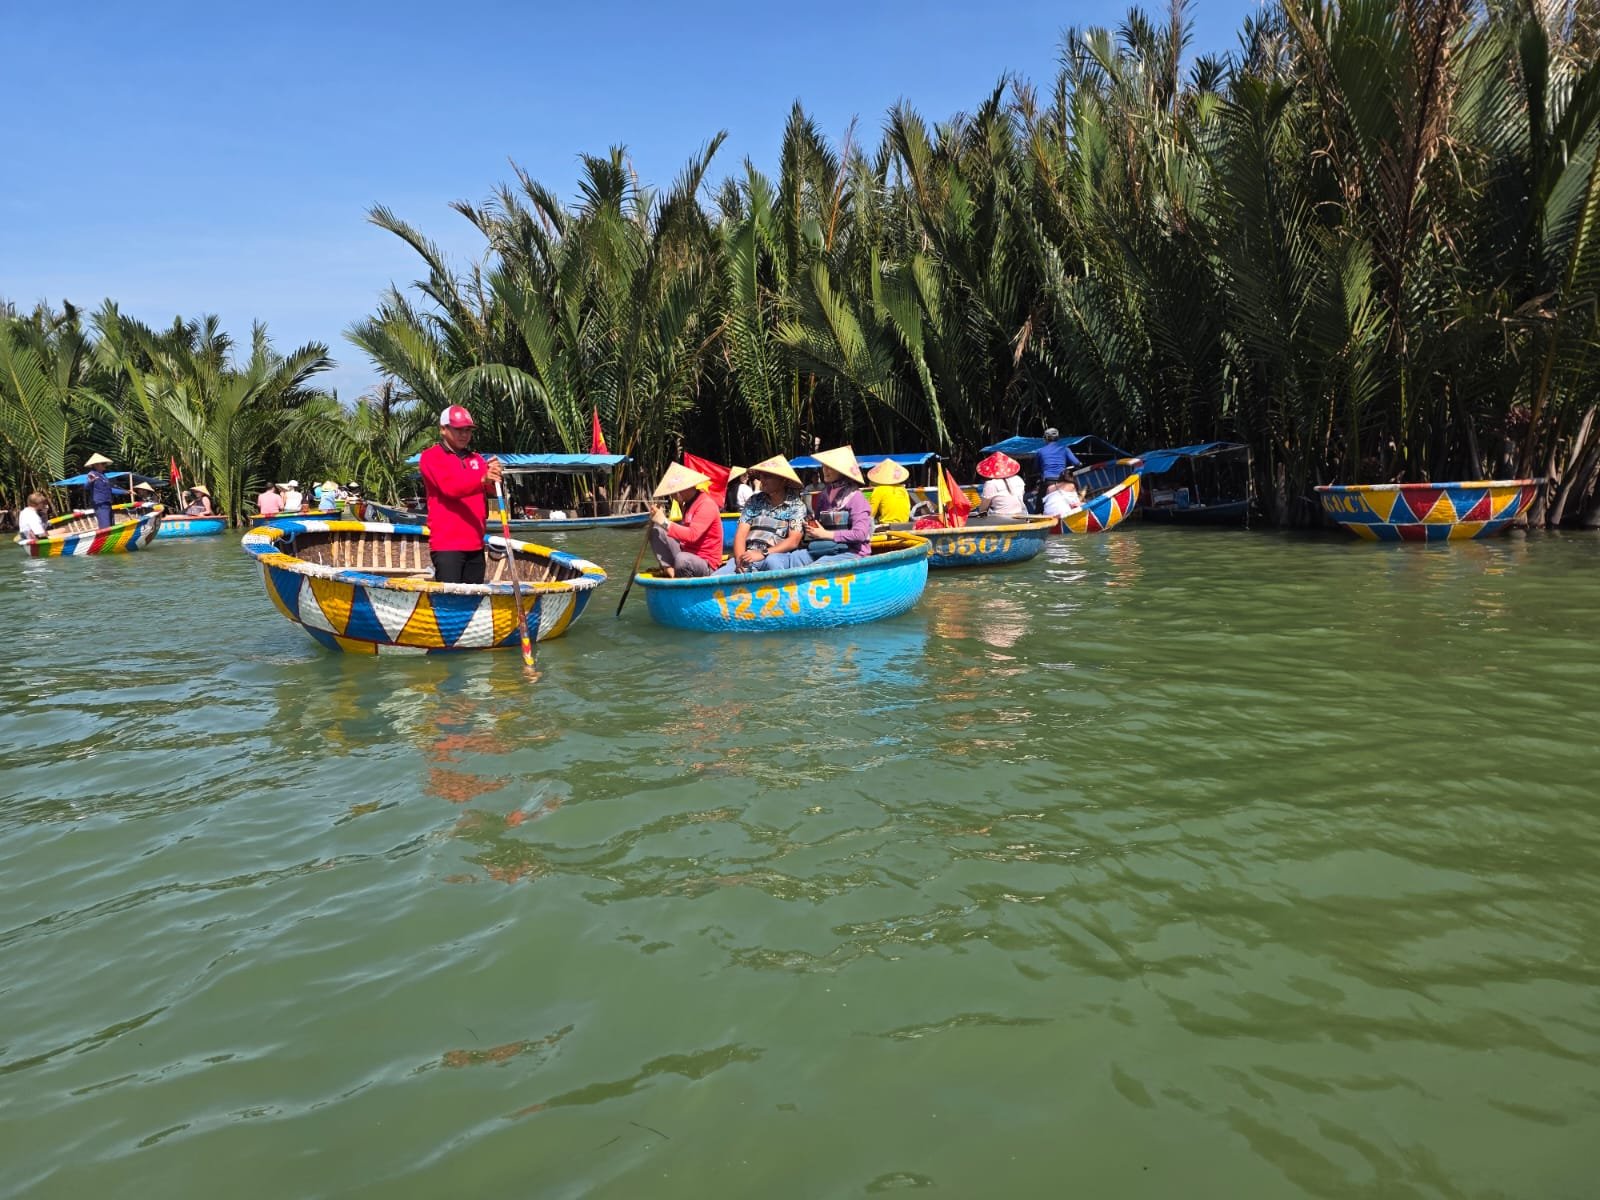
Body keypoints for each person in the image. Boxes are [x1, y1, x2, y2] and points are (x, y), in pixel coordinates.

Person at [418, 405, 502, 584]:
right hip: (447, 545)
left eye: (468, 430)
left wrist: (495, 477)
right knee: (450, 602)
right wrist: (482, 479)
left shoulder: (477, 460)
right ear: (443, 429)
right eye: (458, 430)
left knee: (472, 601)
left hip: (476, 543)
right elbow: (450, 488)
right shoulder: (431, 457)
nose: (464, 435)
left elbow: (491, 492)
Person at [715, 455, 810, 574]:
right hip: (748, 556)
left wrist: (762, 553)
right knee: (718, 576)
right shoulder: (754, 501)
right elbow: (740, 534)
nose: (762, 480)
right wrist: (740, 559)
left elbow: (793, 541)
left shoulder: (796, 505)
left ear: (783, 480)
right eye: (761, 476)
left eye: (768, 476)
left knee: (773, 563)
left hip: (775, 555)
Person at [648, 463, 722, 577]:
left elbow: (692, 535)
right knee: (657, 531)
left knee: (682, 559)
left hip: (706, 563)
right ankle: (670, 571)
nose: (673, 495)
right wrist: (660, 521)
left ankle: (677, 577)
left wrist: (664, 521)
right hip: (687, 553)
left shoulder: (706, 504)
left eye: (675, 491)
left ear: (687, 488)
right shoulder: (687, 505)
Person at [803, 446, 872, 558]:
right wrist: (811, 525)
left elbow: (860, 534)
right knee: (791, 558)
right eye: (824, 466)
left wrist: (826, 534)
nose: (825, 470)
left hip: (853, 553)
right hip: (827, 549)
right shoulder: (824, 495)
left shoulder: (855, 497)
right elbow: (819, 524)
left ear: (841, 471)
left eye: (830, 467)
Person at [974, 451, 1027, 520]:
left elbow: (983, 509)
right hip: (1022, 516)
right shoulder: (1018, 479)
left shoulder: (991, 484)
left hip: (1001, 519)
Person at [866, 459, 913, 526]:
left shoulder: (879, 490)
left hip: (888, 525)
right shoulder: (903, 489)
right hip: (905, 524)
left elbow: (870, 513)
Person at [84, 453, 116, 528]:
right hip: (100, 504)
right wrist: (90, 481)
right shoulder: (92, 474)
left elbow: (110, 490)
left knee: (112, 526)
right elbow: (86, 487)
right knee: (105, 527)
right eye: (103, 463)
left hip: (108, 503)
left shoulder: (104, 476)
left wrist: (126, 492)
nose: (105, 465)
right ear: (96, 465)